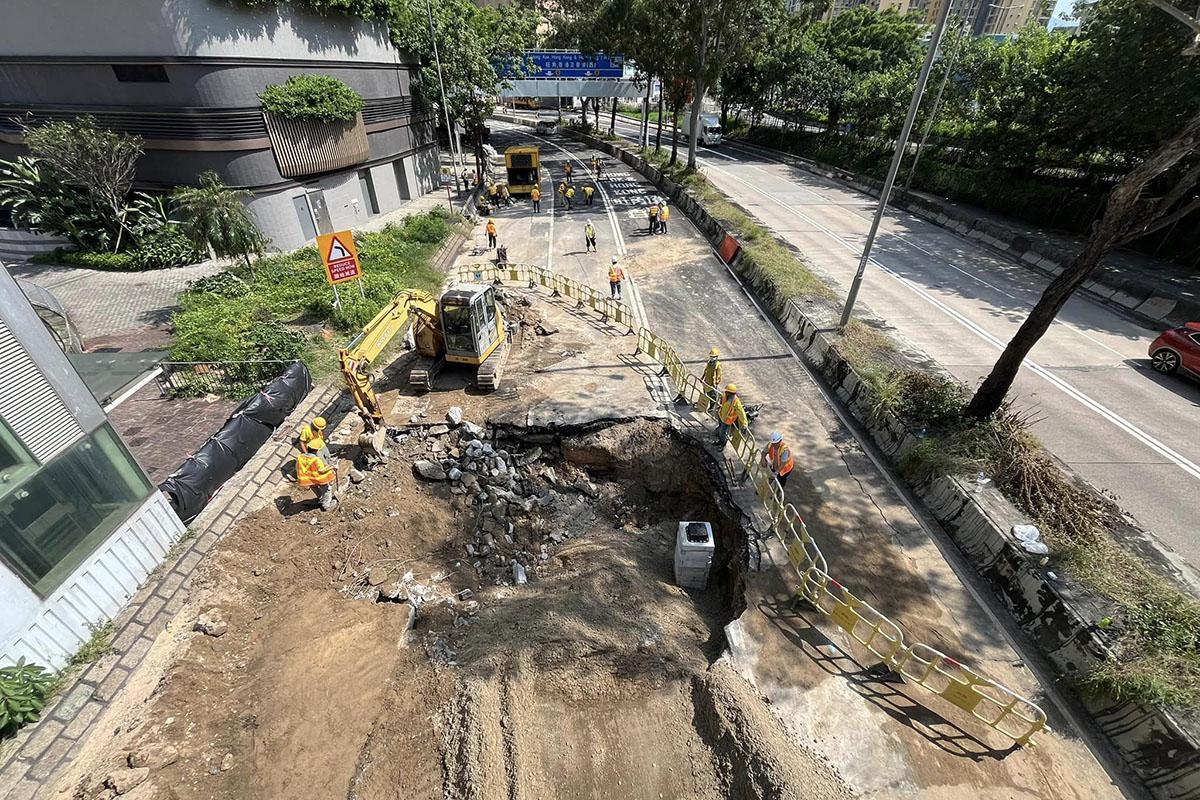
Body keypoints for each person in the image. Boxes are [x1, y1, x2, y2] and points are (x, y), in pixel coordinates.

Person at [296, 441, 338, 511]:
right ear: (316, 450)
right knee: (327, 490)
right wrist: (333, 467)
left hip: (308, 479)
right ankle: (326, 505)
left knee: (315, 488)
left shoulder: (300, 457)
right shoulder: (317, 460)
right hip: (318, 479)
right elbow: (321, 470)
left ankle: (321, 498)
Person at [716, 384, 747, 448]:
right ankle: (720, 441)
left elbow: (741, 413)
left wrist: (745, 423)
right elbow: (722, 402)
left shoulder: (736, 401)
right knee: (720, 430)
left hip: (727, 420)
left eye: (727, 391)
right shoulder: (725, 395)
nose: (725, 392)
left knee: (722, 432)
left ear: (731, 393)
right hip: (721, 416)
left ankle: (723, 444)